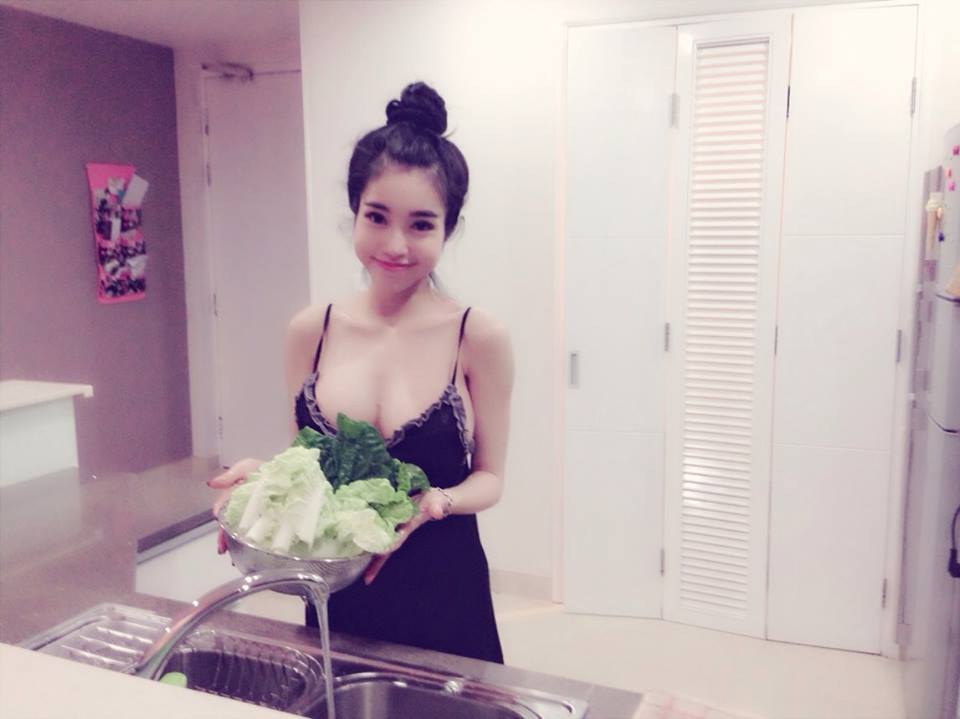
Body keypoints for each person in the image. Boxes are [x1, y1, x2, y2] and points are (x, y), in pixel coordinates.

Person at [208, 81, 514, 664]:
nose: (395, 244)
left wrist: (438, 501)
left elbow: (491, 478)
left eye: (421, 224)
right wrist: (262, 484)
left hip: (446, 589)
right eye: (377, 217)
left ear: (448, 229)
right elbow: (311, 465)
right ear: (355, 214)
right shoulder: (311, 329)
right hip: (339, 591)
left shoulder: (477, 337)